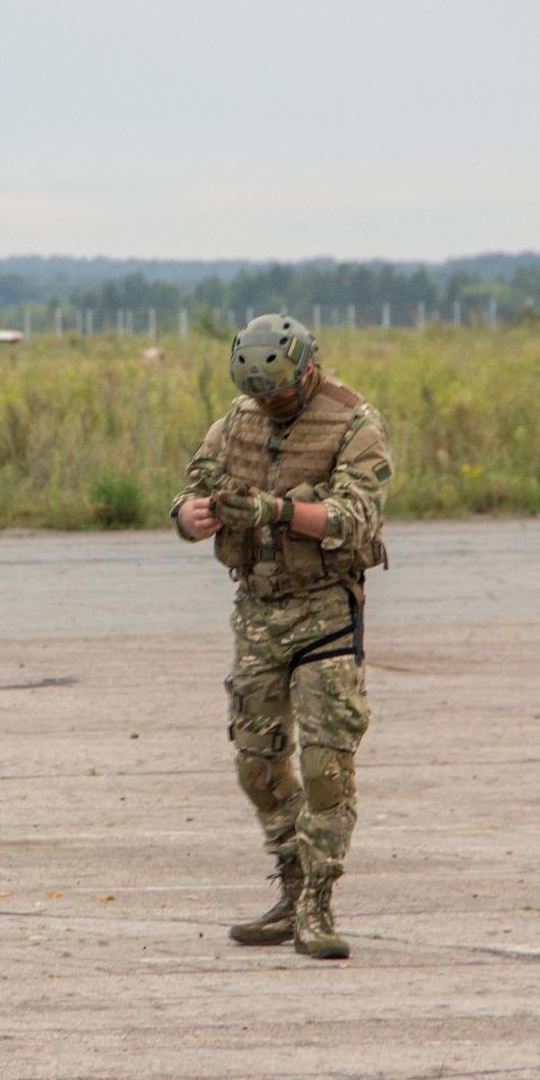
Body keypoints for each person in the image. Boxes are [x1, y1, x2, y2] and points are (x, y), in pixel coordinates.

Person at [170, 314, 392, 959]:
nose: (273, 407)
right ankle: (290, 887)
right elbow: (189, 497)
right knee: (258, 766)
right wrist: (194, 516)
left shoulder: (355, 425)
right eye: (263, 398)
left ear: (307, 371)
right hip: (258, 614)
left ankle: (319, 907)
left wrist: (274, 510)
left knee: (326, 767)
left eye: (283, 396)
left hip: (325, 612)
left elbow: (353, 518)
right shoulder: (235, 424)